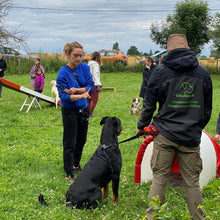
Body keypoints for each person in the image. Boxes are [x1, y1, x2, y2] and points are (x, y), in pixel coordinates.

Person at [136, 34, 212, 220]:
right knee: (192, 183)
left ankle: (153, 217)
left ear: (168, 49)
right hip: (190, 137)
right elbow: (207, 108)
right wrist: (196, 127)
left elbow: (149, 103)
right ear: (187, 48)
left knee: (160, 178)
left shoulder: (160, 72)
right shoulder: (202, 73)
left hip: (165, 135)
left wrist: (142, 126)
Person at [56, 41, 95, 180]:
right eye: (75, 55)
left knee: (81, 140)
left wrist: (78, 90)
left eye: (81, 55)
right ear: (68, 54)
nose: (78, 58)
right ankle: (68, 172)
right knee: (70, 142)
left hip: (83, 110)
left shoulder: (84, 68)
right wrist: (81, 95)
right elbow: (64, 97)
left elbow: (91, 85)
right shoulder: (63, 73)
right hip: (69, 111)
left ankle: (76, 164)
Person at [88, 51, 102, 117]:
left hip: (88, 84)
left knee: (89, 99)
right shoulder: (95, 65)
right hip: (94, 84)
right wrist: (98, 84)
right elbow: (95, 74)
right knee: (95, 100)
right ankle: (89, 113)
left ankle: (86, 112)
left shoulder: (89, 64)